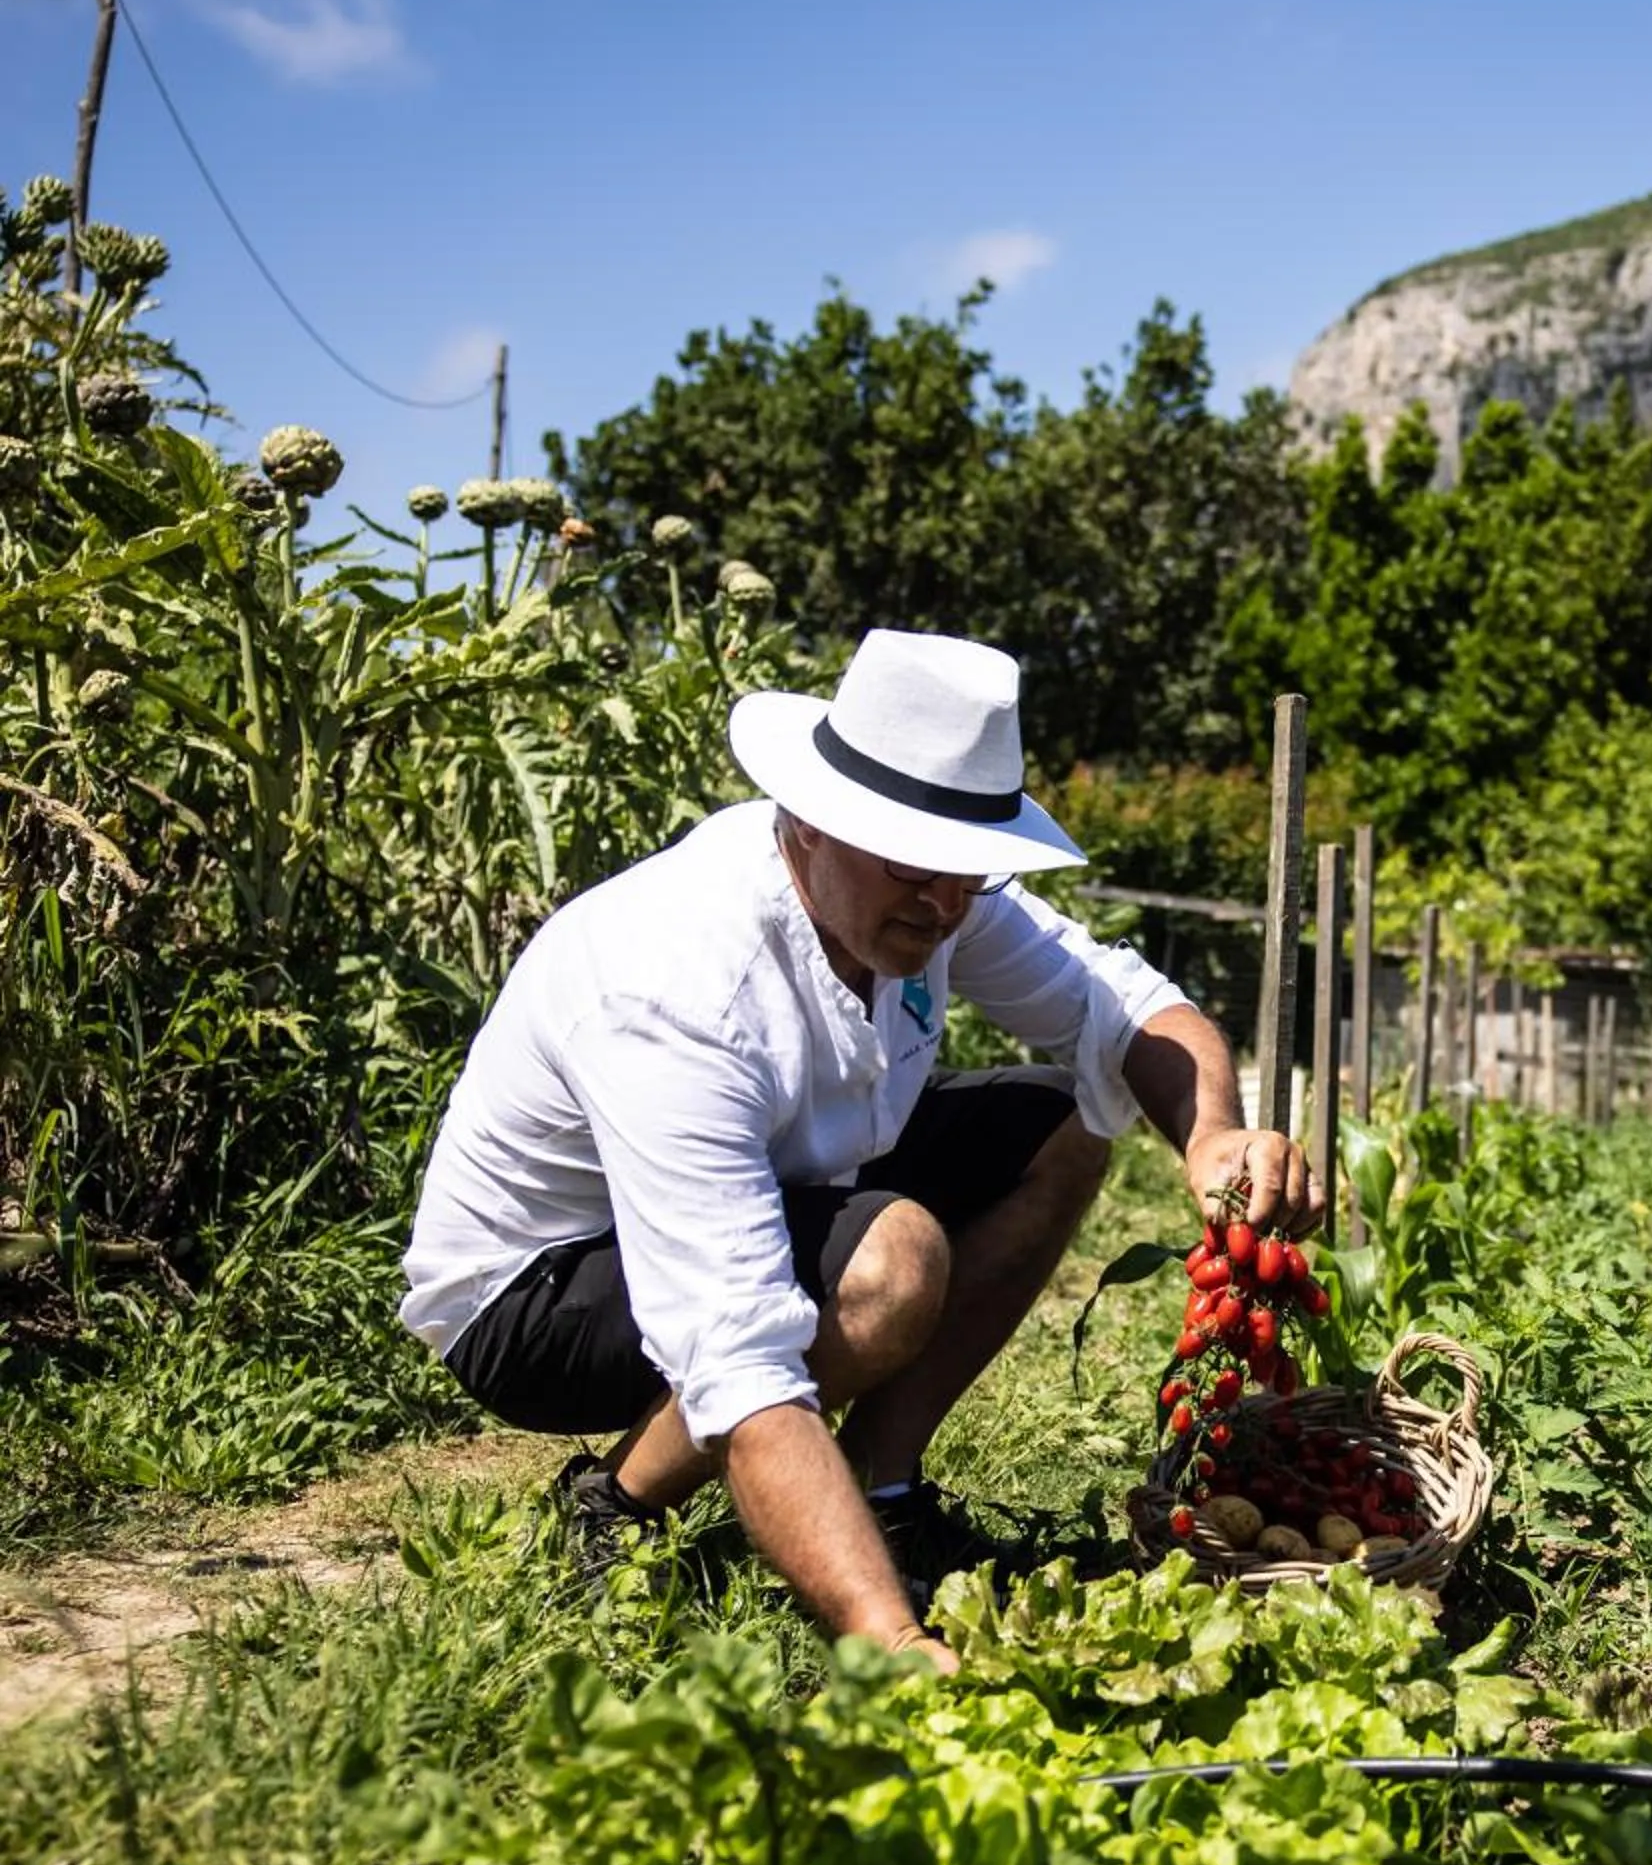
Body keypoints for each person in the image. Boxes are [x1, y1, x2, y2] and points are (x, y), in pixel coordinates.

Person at [399, 629, 1320, 1671]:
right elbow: (740, 1358)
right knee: (895, 1262)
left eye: (967, 873)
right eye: (912, 866)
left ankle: (882, 1487)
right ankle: (614, 1506)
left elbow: (1126, 1008)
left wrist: (1214, 1132)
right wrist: (887, 1637)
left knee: (1067, 1123)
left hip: (785, 1179)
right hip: (538, 1286)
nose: (942, 903)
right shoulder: (677, 986)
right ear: (811, 821)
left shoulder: (932, 894)